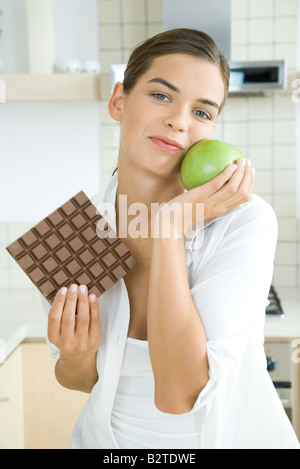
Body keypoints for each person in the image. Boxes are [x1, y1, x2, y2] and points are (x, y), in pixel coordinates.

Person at [46, 29, 300, 449]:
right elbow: (78, 380)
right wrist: (75, 356)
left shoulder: (245, 221)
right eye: (162, 96)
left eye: (202, 113)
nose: (179, 121)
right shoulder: (77, 229)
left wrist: (168, 230)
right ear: (118, 101)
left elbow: (179, 395)